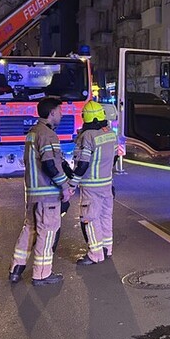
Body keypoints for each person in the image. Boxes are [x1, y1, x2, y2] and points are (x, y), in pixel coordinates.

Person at [9, 97, 75, 285]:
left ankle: (16, 269)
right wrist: (64, 186)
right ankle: (42, 274)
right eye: (60, 111)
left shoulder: (33, 132)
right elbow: (49, 164)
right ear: (52, 112)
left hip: (32, 193)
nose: (62, 115)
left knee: (29, 230)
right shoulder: (48, 135)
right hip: (47, 194)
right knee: (47, 234)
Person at [69, 101, 118, 265]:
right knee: (105, 216)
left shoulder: (87, 136)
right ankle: (107, 249)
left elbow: (83, 164)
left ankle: (95, 254)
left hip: (91, 185)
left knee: (89, 219)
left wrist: (72, 184)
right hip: (107, 184)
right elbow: (115, 158)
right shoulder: (111, 134)